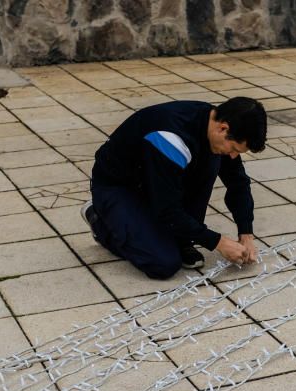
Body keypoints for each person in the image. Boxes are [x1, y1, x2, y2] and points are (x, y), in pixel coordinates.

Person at [80, 97, 267, 279]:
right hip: (119, 187)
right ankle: (99, 219)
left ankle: (181, 238)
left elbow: (238, 183)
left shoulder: (218, 126)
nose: (234, 156)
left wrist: (246, 233)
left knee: (214, 159)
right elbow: (167, 209)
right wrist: (217, 242)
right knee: (162, 263)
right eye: (234, 148)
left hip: (158, 183)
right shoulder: (170, 137)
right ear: (223, 128)